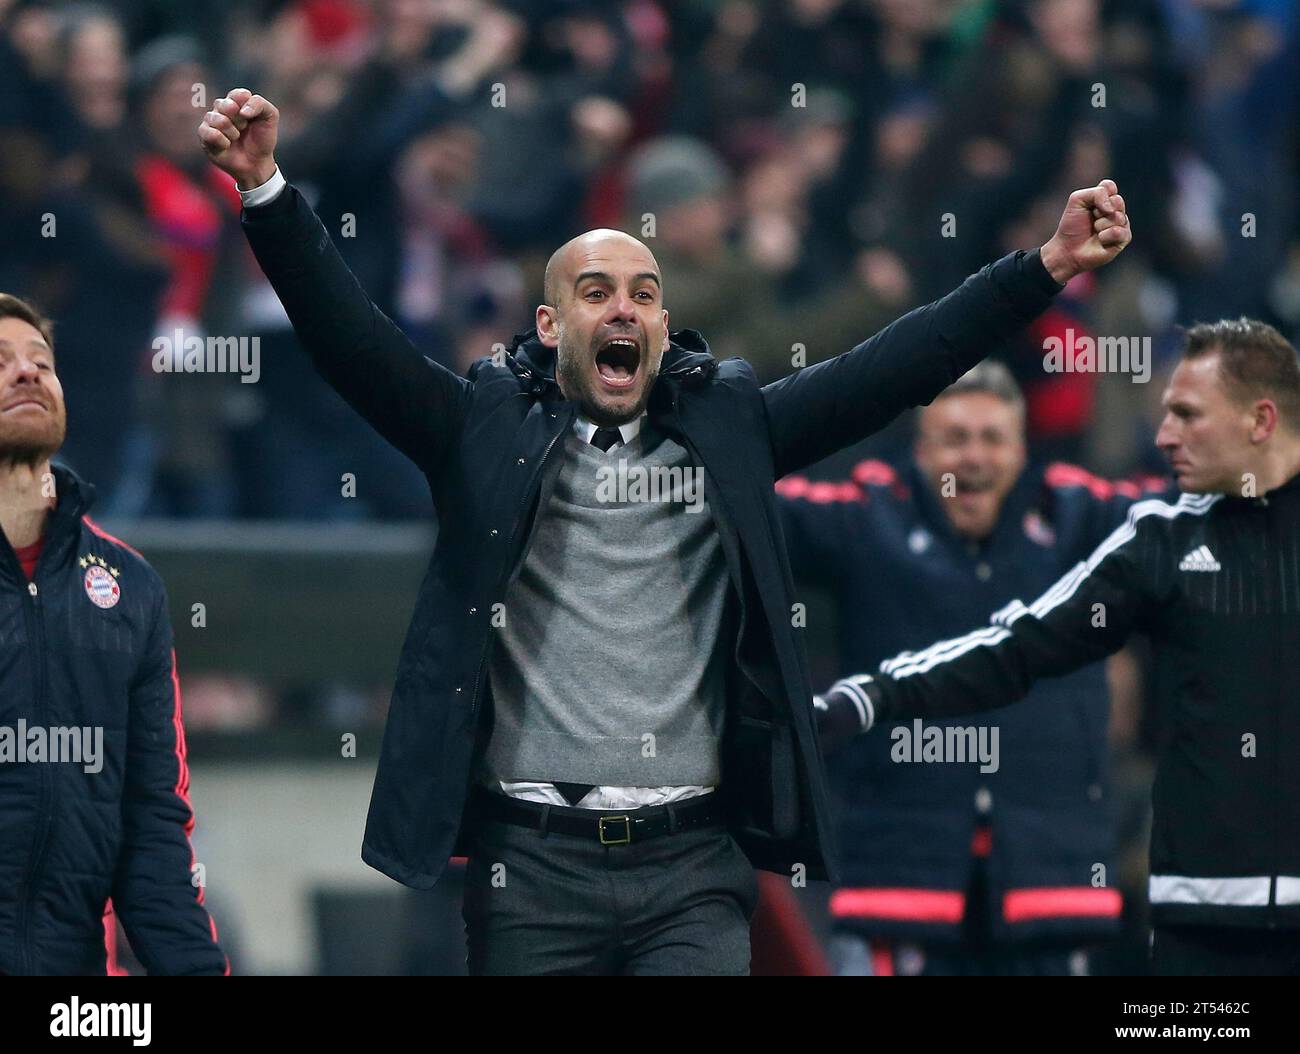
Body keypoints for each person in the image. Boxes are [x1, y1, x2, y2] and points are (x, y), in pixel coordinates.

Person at [198, 86, 1130, 975]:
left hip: (691, 864)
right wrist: (268, 192)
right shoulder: (479, 430)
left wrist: (1042, 267)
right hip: (530, 864)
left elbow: (898, 365)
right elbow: (348, 338)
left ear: (663, 322)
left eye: (643, 294)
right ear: (551, 322)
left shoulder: (733, 426)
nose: (624, 310)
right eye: (597, 292)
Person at [819, 318, 1300, 976]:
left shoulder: (1124, 523)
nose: (1162, 438)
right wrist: (875, 696)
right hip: (1201, 920)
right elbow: (1018, 648)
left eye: (1187, 415)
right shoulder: (1159, 539)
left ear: (1261, 420)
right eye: (1165, 415)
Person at [779, 361, 1167, 974]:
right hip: (898, 879)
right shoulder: (869, 511)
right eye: (955, 438)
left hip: (1048, 882)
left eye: (993, 438)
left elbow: (1201, 502)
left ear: (1022, 449)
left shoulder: (1075, 512)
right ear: (920, 447)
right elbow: (746, 503)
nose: (975, 458)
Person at [0, 293, 226, 975]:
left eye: (42, 361)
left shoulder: (129, 587)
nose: (28, 372)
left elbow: (152, 826)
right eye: (1, 362)